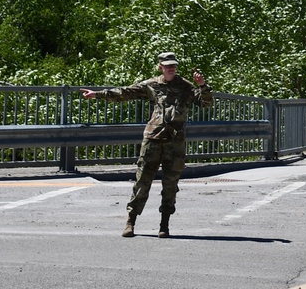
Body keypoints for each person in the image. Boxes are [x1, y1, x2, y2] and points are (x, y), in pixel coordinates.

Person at [81, 52, 213, 237]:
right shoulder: (152, 85)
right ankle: (130, 222)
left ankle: (164, 225)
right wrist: (98, 94)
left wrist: (202, 86)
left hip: (174, 142)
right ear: (160, 67)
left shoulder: (185, 86)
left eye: (173, 65)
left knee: (170, 184)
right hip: (153, 139)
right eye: (167, 66)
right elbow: (126, 92)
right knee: (142, 182)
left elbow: (205, 103)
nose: (171, 68)